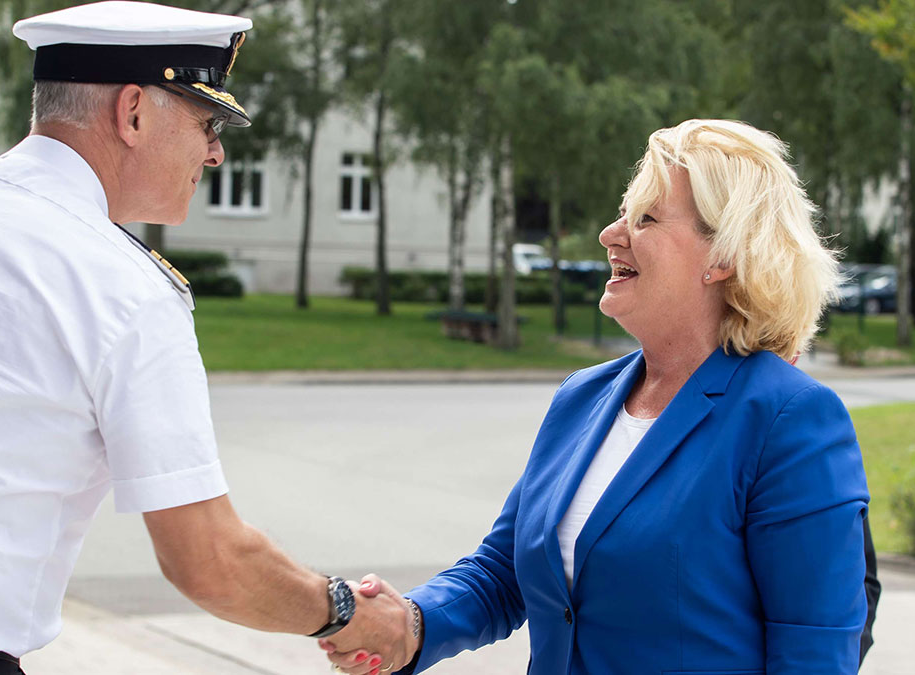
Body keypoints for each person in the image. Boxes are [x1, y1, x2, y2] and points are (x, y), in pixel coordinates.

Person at [0, 3, 409, 673]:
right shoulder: (125, 289)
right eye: (206, 123)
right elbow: (209, 561)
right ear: (133, 112)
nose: (216, 152)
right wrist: (347, 611)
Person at [325, 119, 871, 674]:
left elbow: (815, 653)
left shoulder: (788, 418)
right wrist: (410, 623)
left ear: (722, 257)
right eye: (622, 213)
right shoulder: (581, 397)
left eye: (645, 218)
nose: (611, 234)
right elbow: (504, 572)